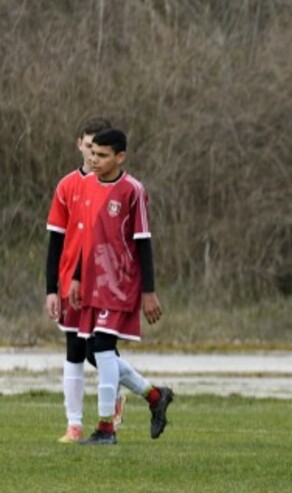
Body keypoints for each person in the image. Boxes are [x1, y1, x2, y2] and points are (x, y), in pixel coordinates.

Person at [67, 128, 174, 445]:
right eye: (92, 153)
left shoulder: (133, 191)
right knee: (94, 353)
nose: (94, 159)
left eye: (102, 155)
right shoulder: (88, 186)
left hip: (121, 282)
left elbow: (143, 242)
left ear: (120, 157)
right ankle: (155, 395)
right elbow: (85, 238)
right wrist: (76, 277)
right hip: (92, 281)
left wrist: (148, 291)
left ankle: (106, 428)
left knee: (102, 348)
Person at [45, 116, 128, 443]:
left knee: (101, 349)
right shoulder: (67, 186)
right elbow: (55, 241)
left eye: (99, 149)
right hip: (72, 283)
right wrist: (51, 289)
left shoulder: (116, 187)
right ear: (79, 144)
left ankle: (118, 400)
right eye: (89, 146)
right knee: (75, 348)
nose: (93, 154)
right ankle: (74, 424)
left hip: (104, 283)